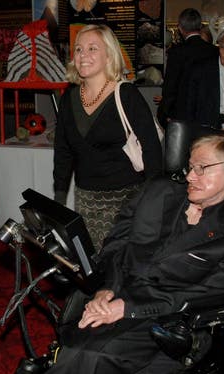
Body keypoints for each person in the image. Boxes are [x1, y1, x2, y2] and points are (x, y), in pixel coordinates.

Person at [29, 134, 224, 374]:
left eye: (202, 168)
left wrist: (127, 308)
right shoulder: (156, 191)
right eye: (190, 166)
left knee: (94, 355)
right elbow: (116, 246)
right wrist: (106, 289)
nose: (190, 176)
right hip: (118, 291)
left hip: (169, 318)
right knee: (71, 350)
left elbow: (211, 295)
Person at [53, 24, 162, 251]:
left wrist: (152, 202)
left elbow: (152, 149)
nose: (83, 55)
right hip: (85, 199)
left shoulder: (126, 95)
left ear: (109, 55)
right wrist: (60, 196)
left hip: (125, 199)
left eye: (93, 48)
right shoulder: (68, 98)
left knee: (115, 266)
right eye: (79, 49)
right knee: (89, 263)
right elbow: (63, 151)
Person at [157, 8, 217, 128]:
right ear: (199, 26)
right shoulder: (214, 51)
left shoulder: (177, 53)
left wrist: (167, 113)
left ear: (180, 28)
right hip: (208, 112)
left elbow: (170, 86)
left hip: (182, 114)